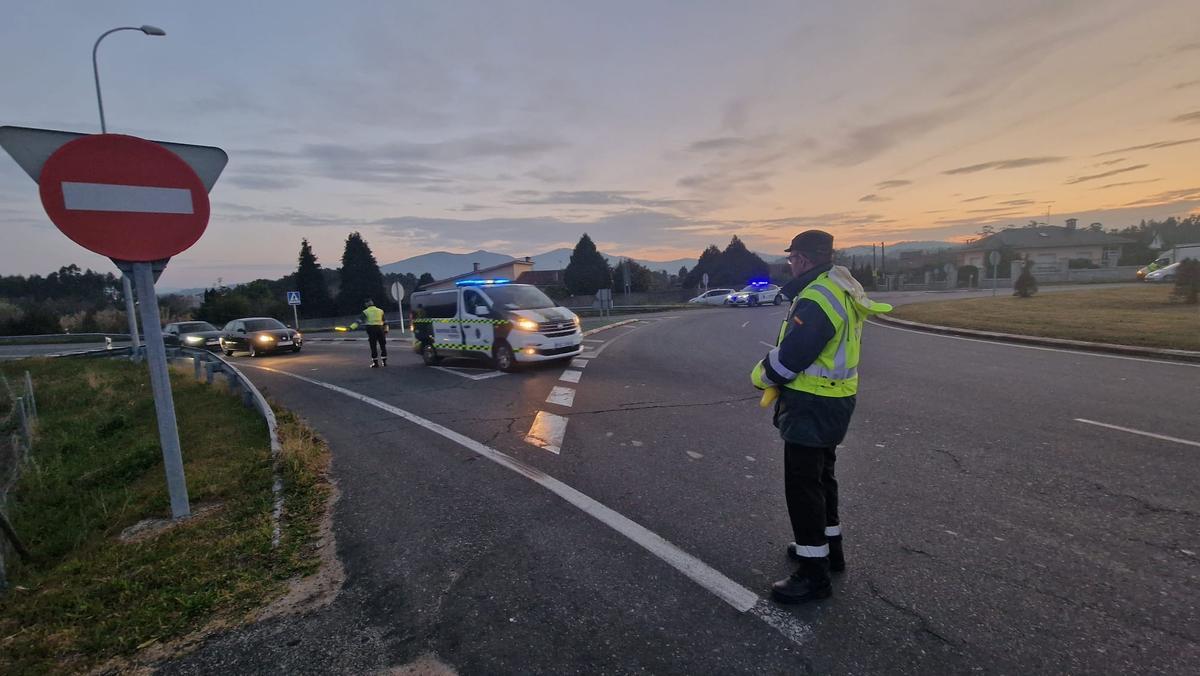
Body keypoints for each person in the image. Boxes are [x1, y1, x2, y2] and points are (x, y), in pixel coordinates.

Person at [750, 230, 892, 604]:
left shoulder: (815, 298)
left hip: (811, 404)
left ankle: (813, 574)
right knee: (822, 478)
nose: (789, 263)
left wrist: (760, 376)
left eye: (792, 257)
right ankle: (831, 551)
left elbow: (791, 357)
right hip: (836, 399)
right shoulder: (838, 286)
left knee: (803, 486)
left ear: (805, 259)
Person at [351, 298, 388, 367]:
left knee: (373, 346)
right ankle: (384, 362)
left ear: (366, 304)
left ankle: (375, 363)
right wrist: (386, 330)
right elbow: (385, 322)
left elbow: (359, 321)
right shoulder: (380, 311)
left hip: (372, 330)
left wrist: (351, 327)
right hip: (380, 329)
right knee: (383, 345)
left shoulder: (366, 312)